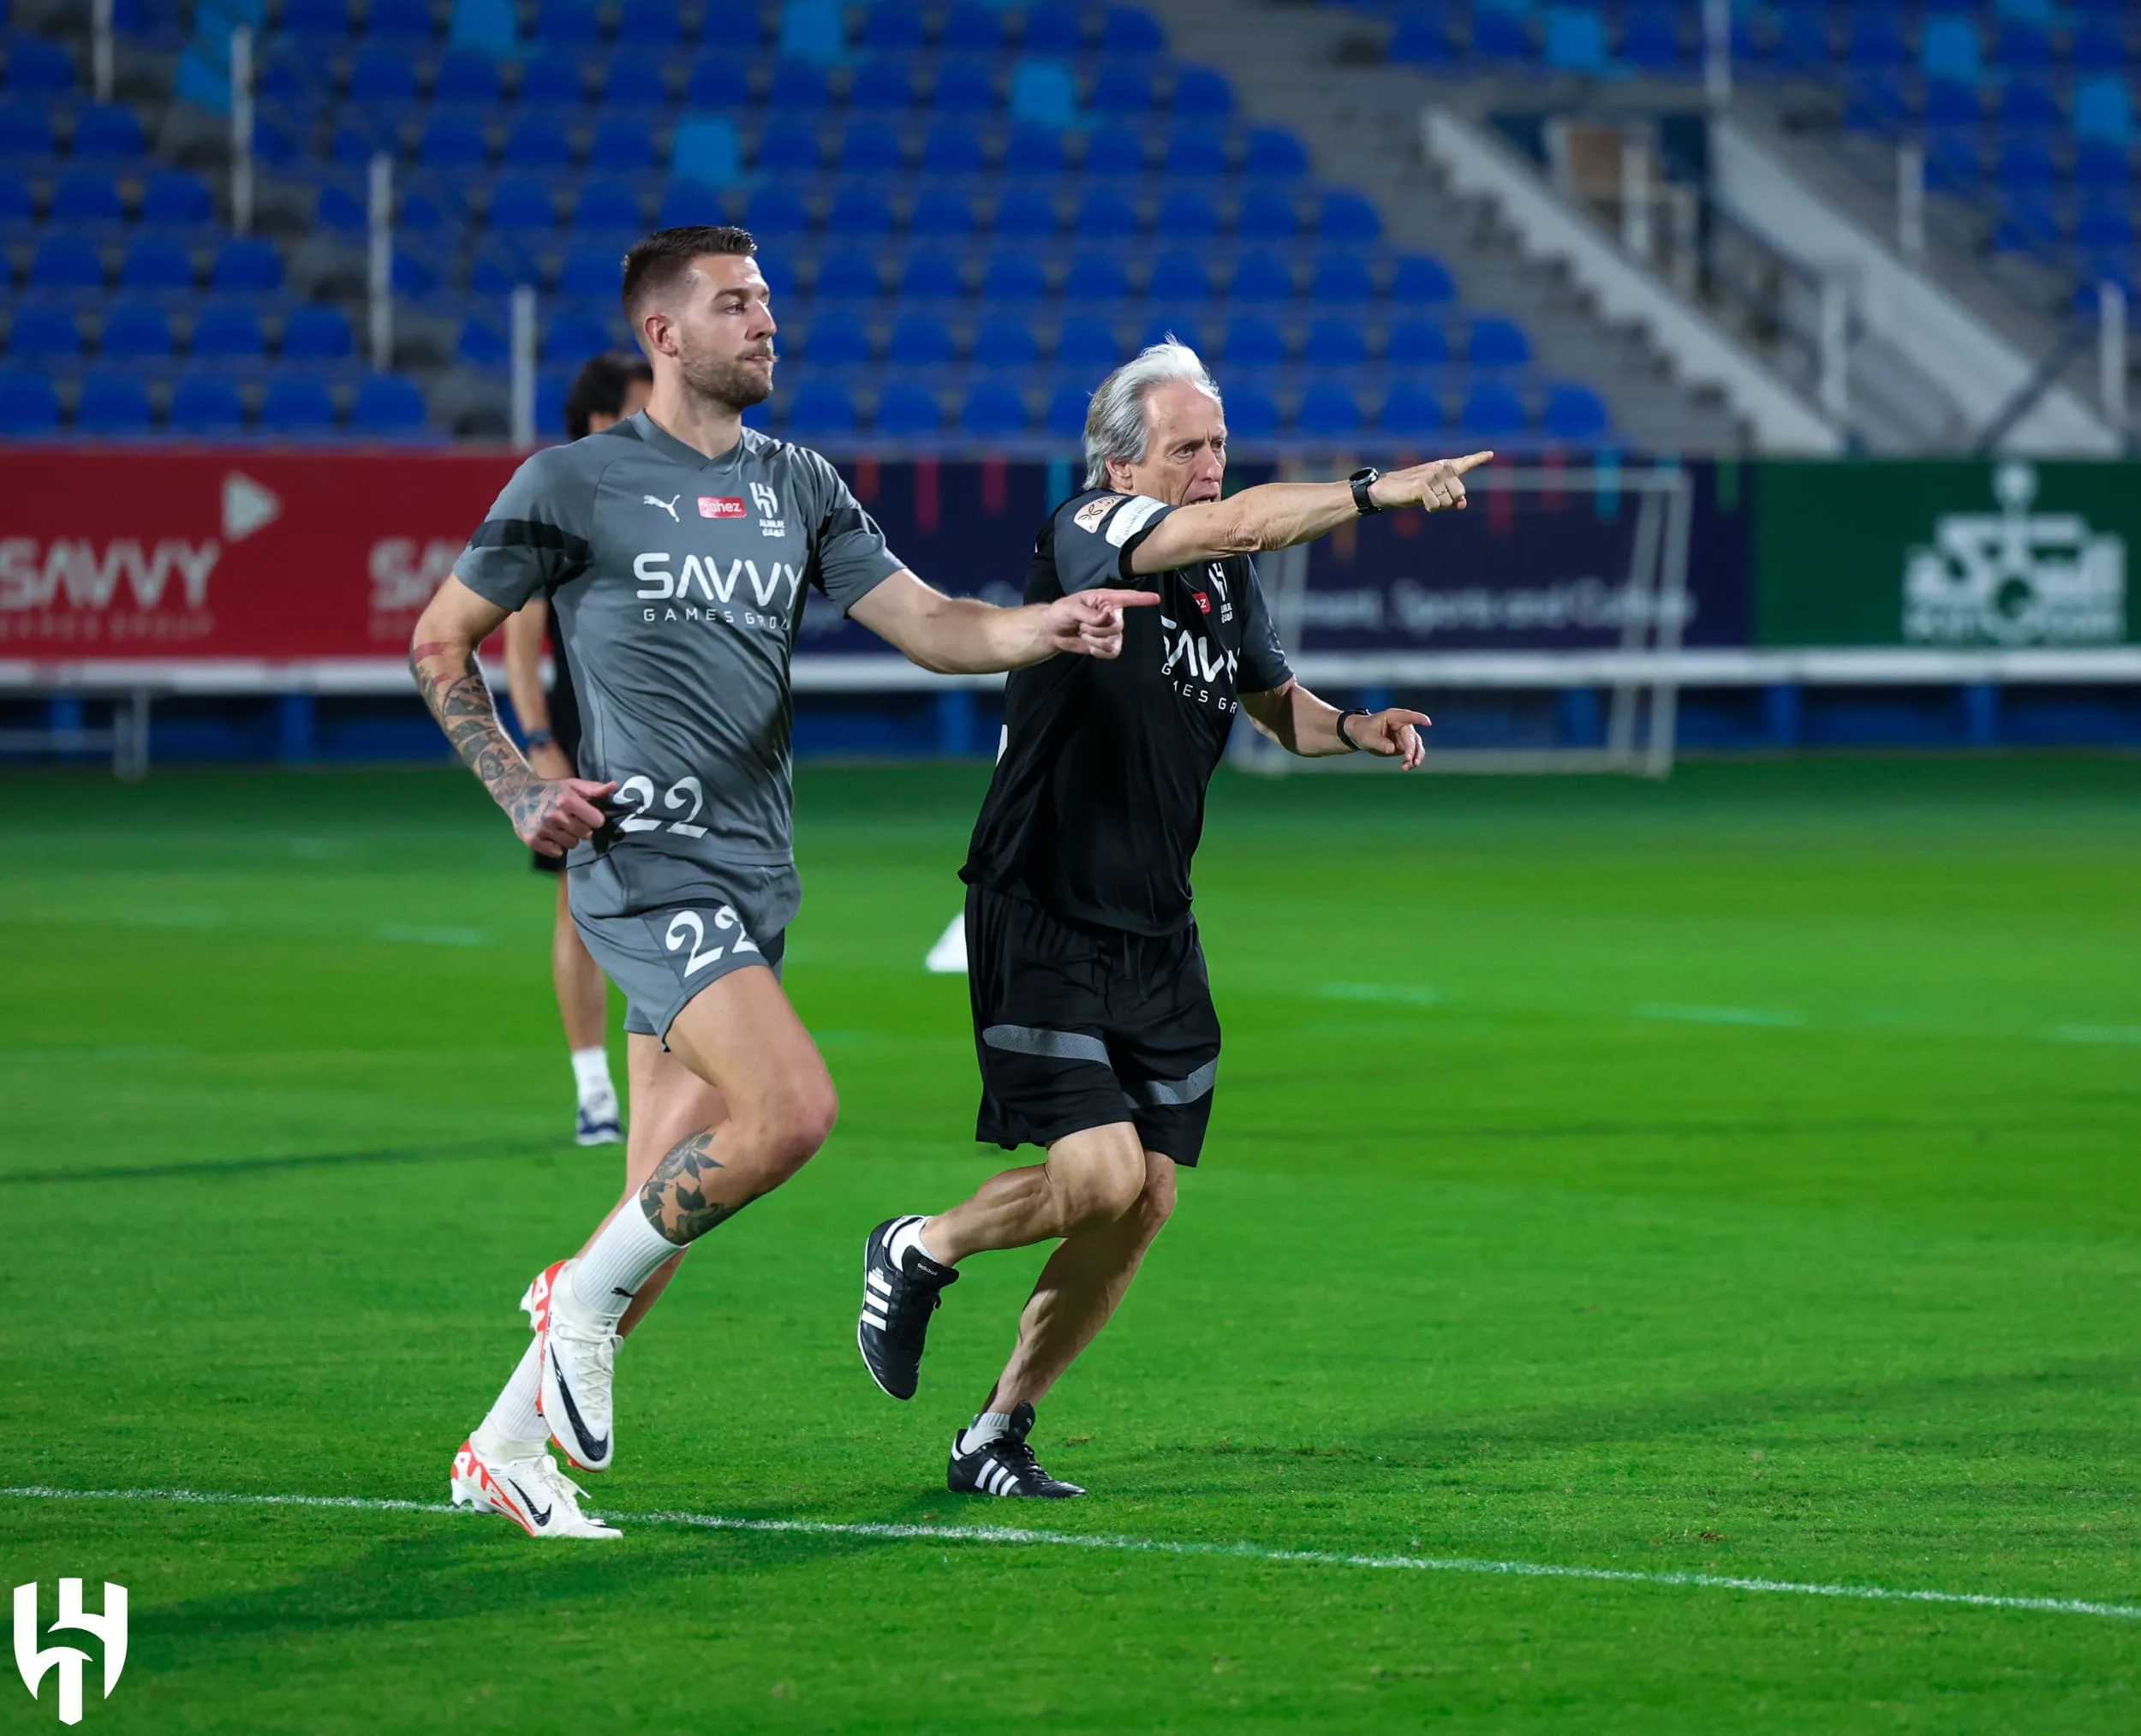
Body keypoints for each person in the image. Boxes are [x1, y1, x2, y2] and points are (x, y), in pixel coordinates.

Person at [411, 224, 1156, 1540]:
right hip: (644, 861)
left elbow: (929, 619)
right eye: (735, 303)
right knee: (794, 1111)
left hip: (756, 873)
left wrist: (1042, 627)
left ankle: (504, 1445)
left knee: (664, 1196)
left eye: (768, 301)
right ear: (663, 334)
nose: (765, 322)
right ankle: (570, 1302)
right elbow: (441, 640)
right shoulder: (572, 482)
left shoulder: (797, 484)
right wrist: (523, 785)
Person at [856, 342, 1489, 1499]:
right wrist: (1371, 489)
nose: (1211, 466)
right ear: (1120, 459)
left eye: (1221, 447)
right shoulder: (1088, 527)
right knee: (1096, 1177)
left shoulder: (1220, 578)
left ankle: (997, 1427)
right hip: (1040, 901)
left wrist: (1353, 726)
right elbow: (1237, 526)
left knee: (1145, 1196)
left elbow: (1272, 705)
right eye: (1190, 447)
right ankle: (920, 1244)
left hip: (1155, 926)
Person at [501, 352, 653, 1147]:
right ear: (599, 419)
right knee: (581, 908)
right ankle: (595, 1089)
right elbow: (518, 643)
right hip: (581, 736)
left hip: (661, 740)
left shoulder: (667, 492)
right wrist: (537, 747)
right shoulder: (557, 501)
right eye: (637, 404)